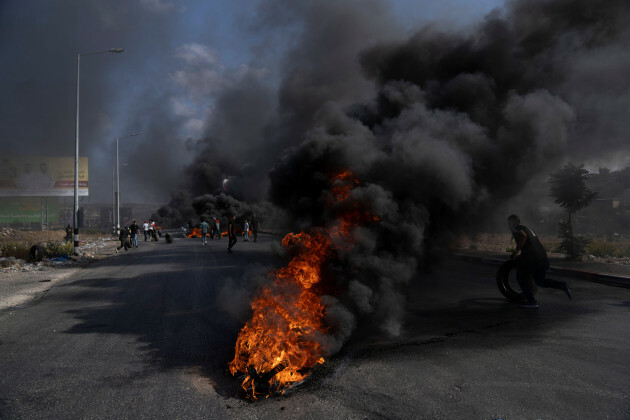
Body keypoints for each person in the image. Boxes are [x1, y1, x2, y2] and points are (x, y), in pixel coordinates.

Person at [508, 214, 572, 308]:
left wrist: (516, 251)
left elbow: (523, 236)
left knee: (521, 277)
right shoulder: (528, 228)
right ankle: (562, 285)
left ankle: (531, 301)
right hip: (542, 256)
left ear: (512, 221)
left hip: (531, 257)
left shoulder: (515, 227)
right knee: (540, 281)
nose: (508, 224)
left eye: (508, 222)